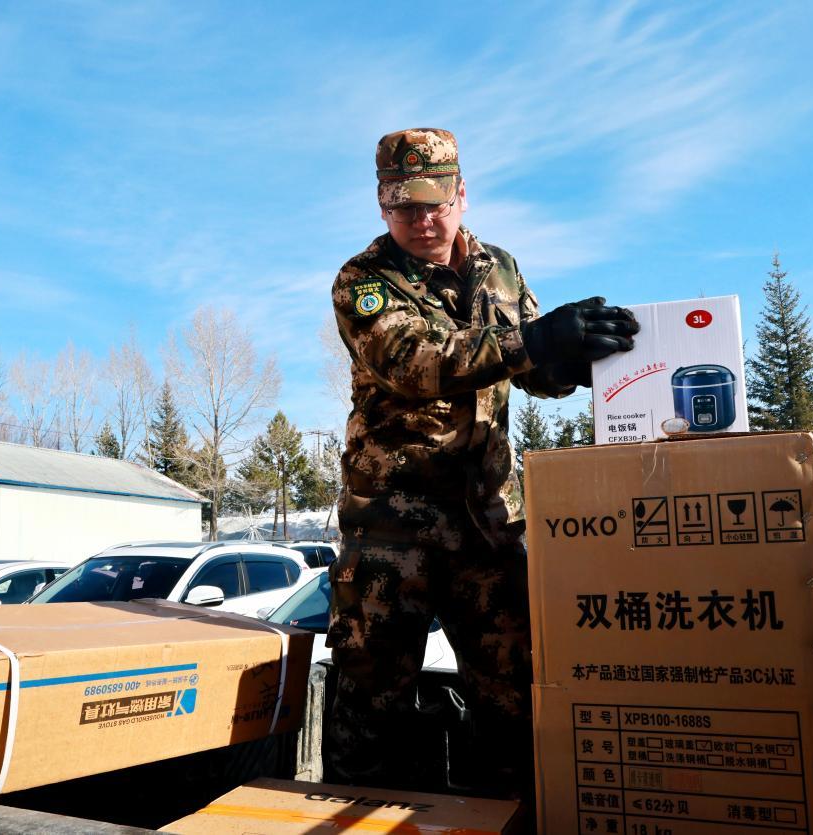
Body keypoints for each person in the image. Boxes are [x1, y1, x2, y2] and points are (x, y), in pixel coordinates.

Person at [326, 128, 638, 802]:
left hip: (487, 522)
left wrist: (580, 361)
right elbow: (416, 362)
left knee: (516, 697)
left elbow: (534, 370)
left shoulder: (500, 269)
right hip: (392, 528)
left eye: (435, 202)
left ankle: (510, 814)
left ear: (462, 195)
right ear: (382, 205)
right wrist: (535, 340)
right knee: (371, 703)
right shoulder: (364, 281)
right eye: (404, 206)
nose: (422, 219)